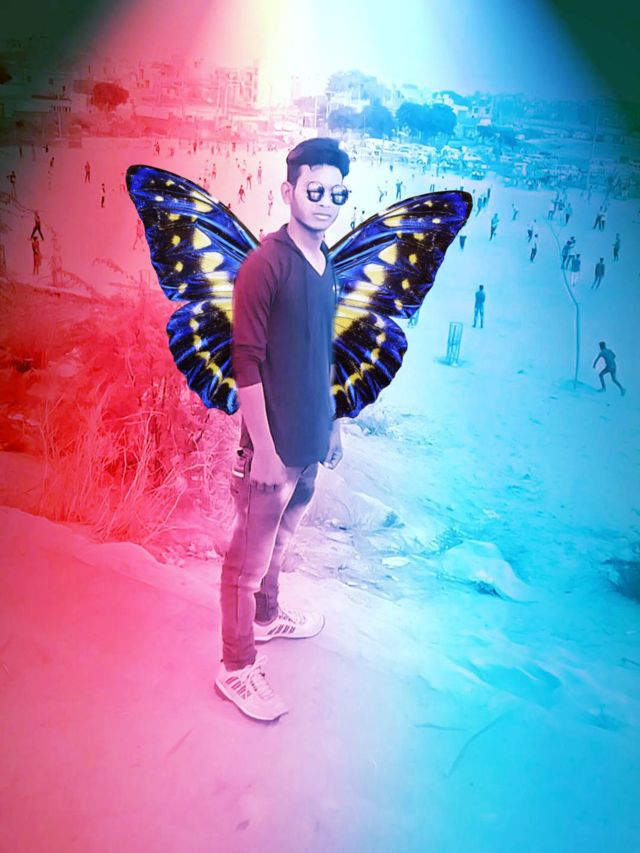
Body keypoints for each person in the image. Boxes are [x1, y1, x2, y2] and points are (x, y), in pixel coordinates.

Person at [216, 137, 349, 721]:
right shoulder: (265, 265)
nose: (325, 202)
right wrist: (264, 451)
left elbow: (323, 352)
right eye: (314, 190)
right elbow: (245, 362)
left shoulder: (325, 263)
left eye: (337, 194)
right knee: (245, 564)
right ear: (288, 191)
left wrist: (333, 423)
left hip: (310, 440)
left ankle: (268, 619)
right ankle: (235, 667)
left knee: (281, 544)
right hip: (272, 449)